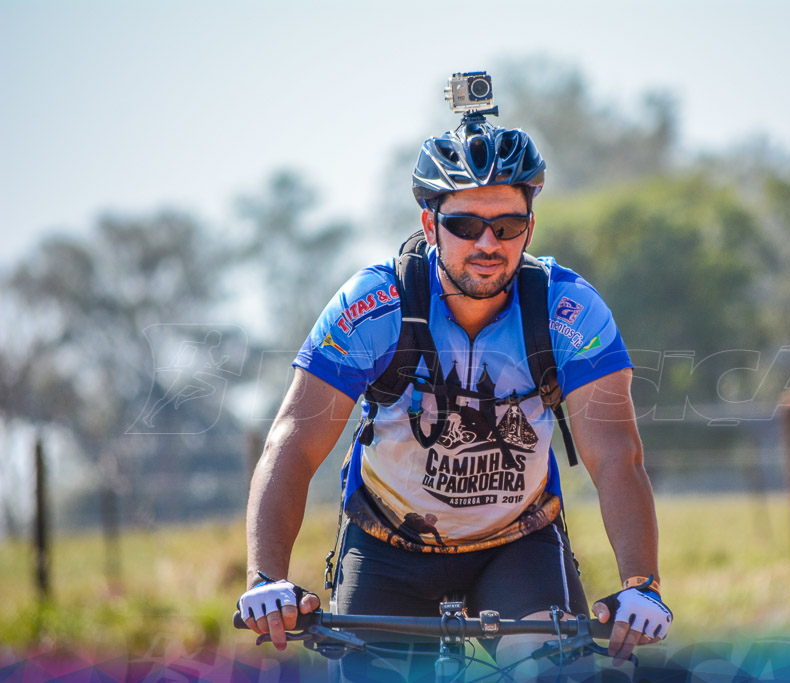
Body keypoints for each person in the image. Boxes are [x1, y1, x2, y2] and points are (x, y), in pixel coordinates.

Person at [237, 98, 670, 676]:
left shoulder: (570, 310)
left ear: (530, 227)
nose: (487, 243)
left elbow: (616, 455)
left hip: (518, 543)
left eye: (508, 225)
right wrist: (266, 578)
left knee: (548, 670)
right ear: (429, 224)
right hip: (387, 543)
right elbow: (292, 444)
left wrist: (641, 586)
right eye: (464, 226)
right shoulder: (372, 306)